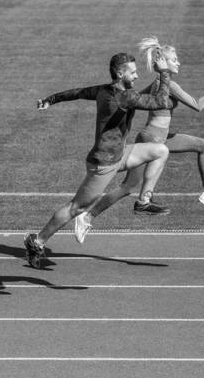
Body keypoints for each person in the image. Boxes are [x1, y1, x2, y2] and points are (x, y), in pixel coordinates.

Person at [23, 53, 174, 269]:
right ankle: (36, 242)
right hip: (103, 164)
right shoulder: (125, 97)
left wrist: (50, 99)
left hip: (119, 155)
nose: (137, 75)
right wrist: (164, 72)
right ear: (120, 74)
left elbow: (77, 93)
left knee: (160, 151)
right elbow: (161, 101)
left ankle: (143, 202)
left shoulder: (104, 90)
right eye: (133, 72)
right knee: (75, 208)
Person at [73, 36, 204, 243]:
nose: (178, 62)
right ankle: (123, 206)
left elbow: (134, 99)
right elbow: (198, 105)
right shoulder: (169, 85)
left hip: (159, 138)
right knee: (127, 187)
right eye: (174, 59)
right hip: (152, 139)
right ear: (164, 63)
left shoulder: (158, 83)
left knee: (203, 145)